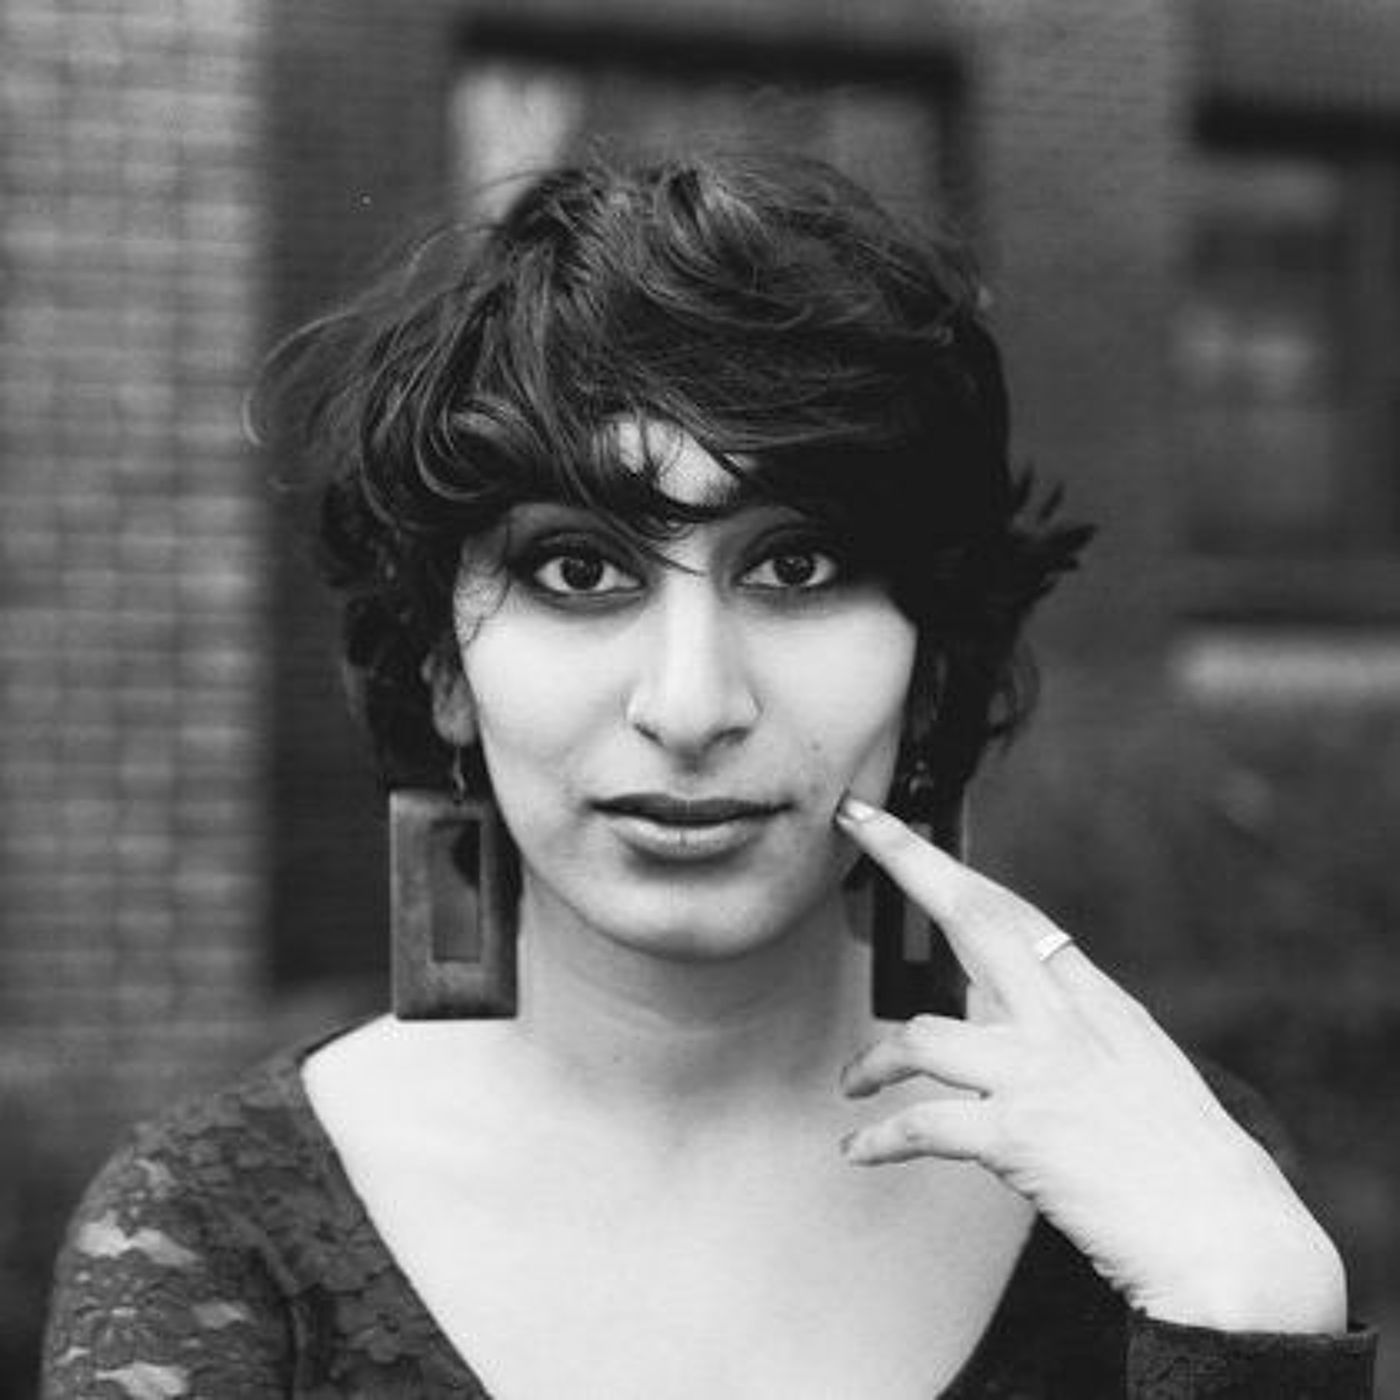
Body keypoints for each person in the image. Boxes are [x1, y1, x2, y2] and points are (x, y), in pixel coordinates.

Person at [43, 152, 1376, 1398]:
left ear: (930, 665)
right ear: (443, 666)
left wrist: (1253, 1322)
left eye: (797, 564)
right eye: (578, 568)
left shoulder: (1169, 1184)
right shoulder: (210, 1228)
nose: (690, 706)